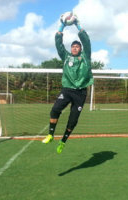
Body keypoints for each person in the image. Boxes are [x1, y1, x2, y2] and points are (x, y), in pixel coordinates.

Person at [42, 13, 94, 154]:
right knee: (54, 110)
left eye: (77, 46)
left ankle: (63, 141)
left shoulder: (86, 57)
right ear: (71, 49)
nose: (75, 48)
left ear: (81, 49)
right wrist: (62, 26)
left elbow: (87, 41)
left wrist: (77, 24)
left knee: (72, 121)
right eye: (73, 46)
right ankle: (50, 135)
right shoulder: (66, 57)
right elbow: (58, 44)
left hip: (81, 93)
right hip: (67, 90)